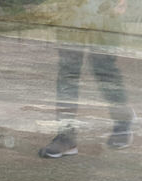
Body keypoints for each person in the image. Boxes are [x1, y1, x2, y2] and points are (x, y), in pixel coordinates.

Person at [39, 0, 135, 158]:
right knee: (68, 70)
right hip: (71, 9)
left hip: (105, 7)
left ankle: (122, 118)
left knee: (103, 67)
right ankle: (66, 137)